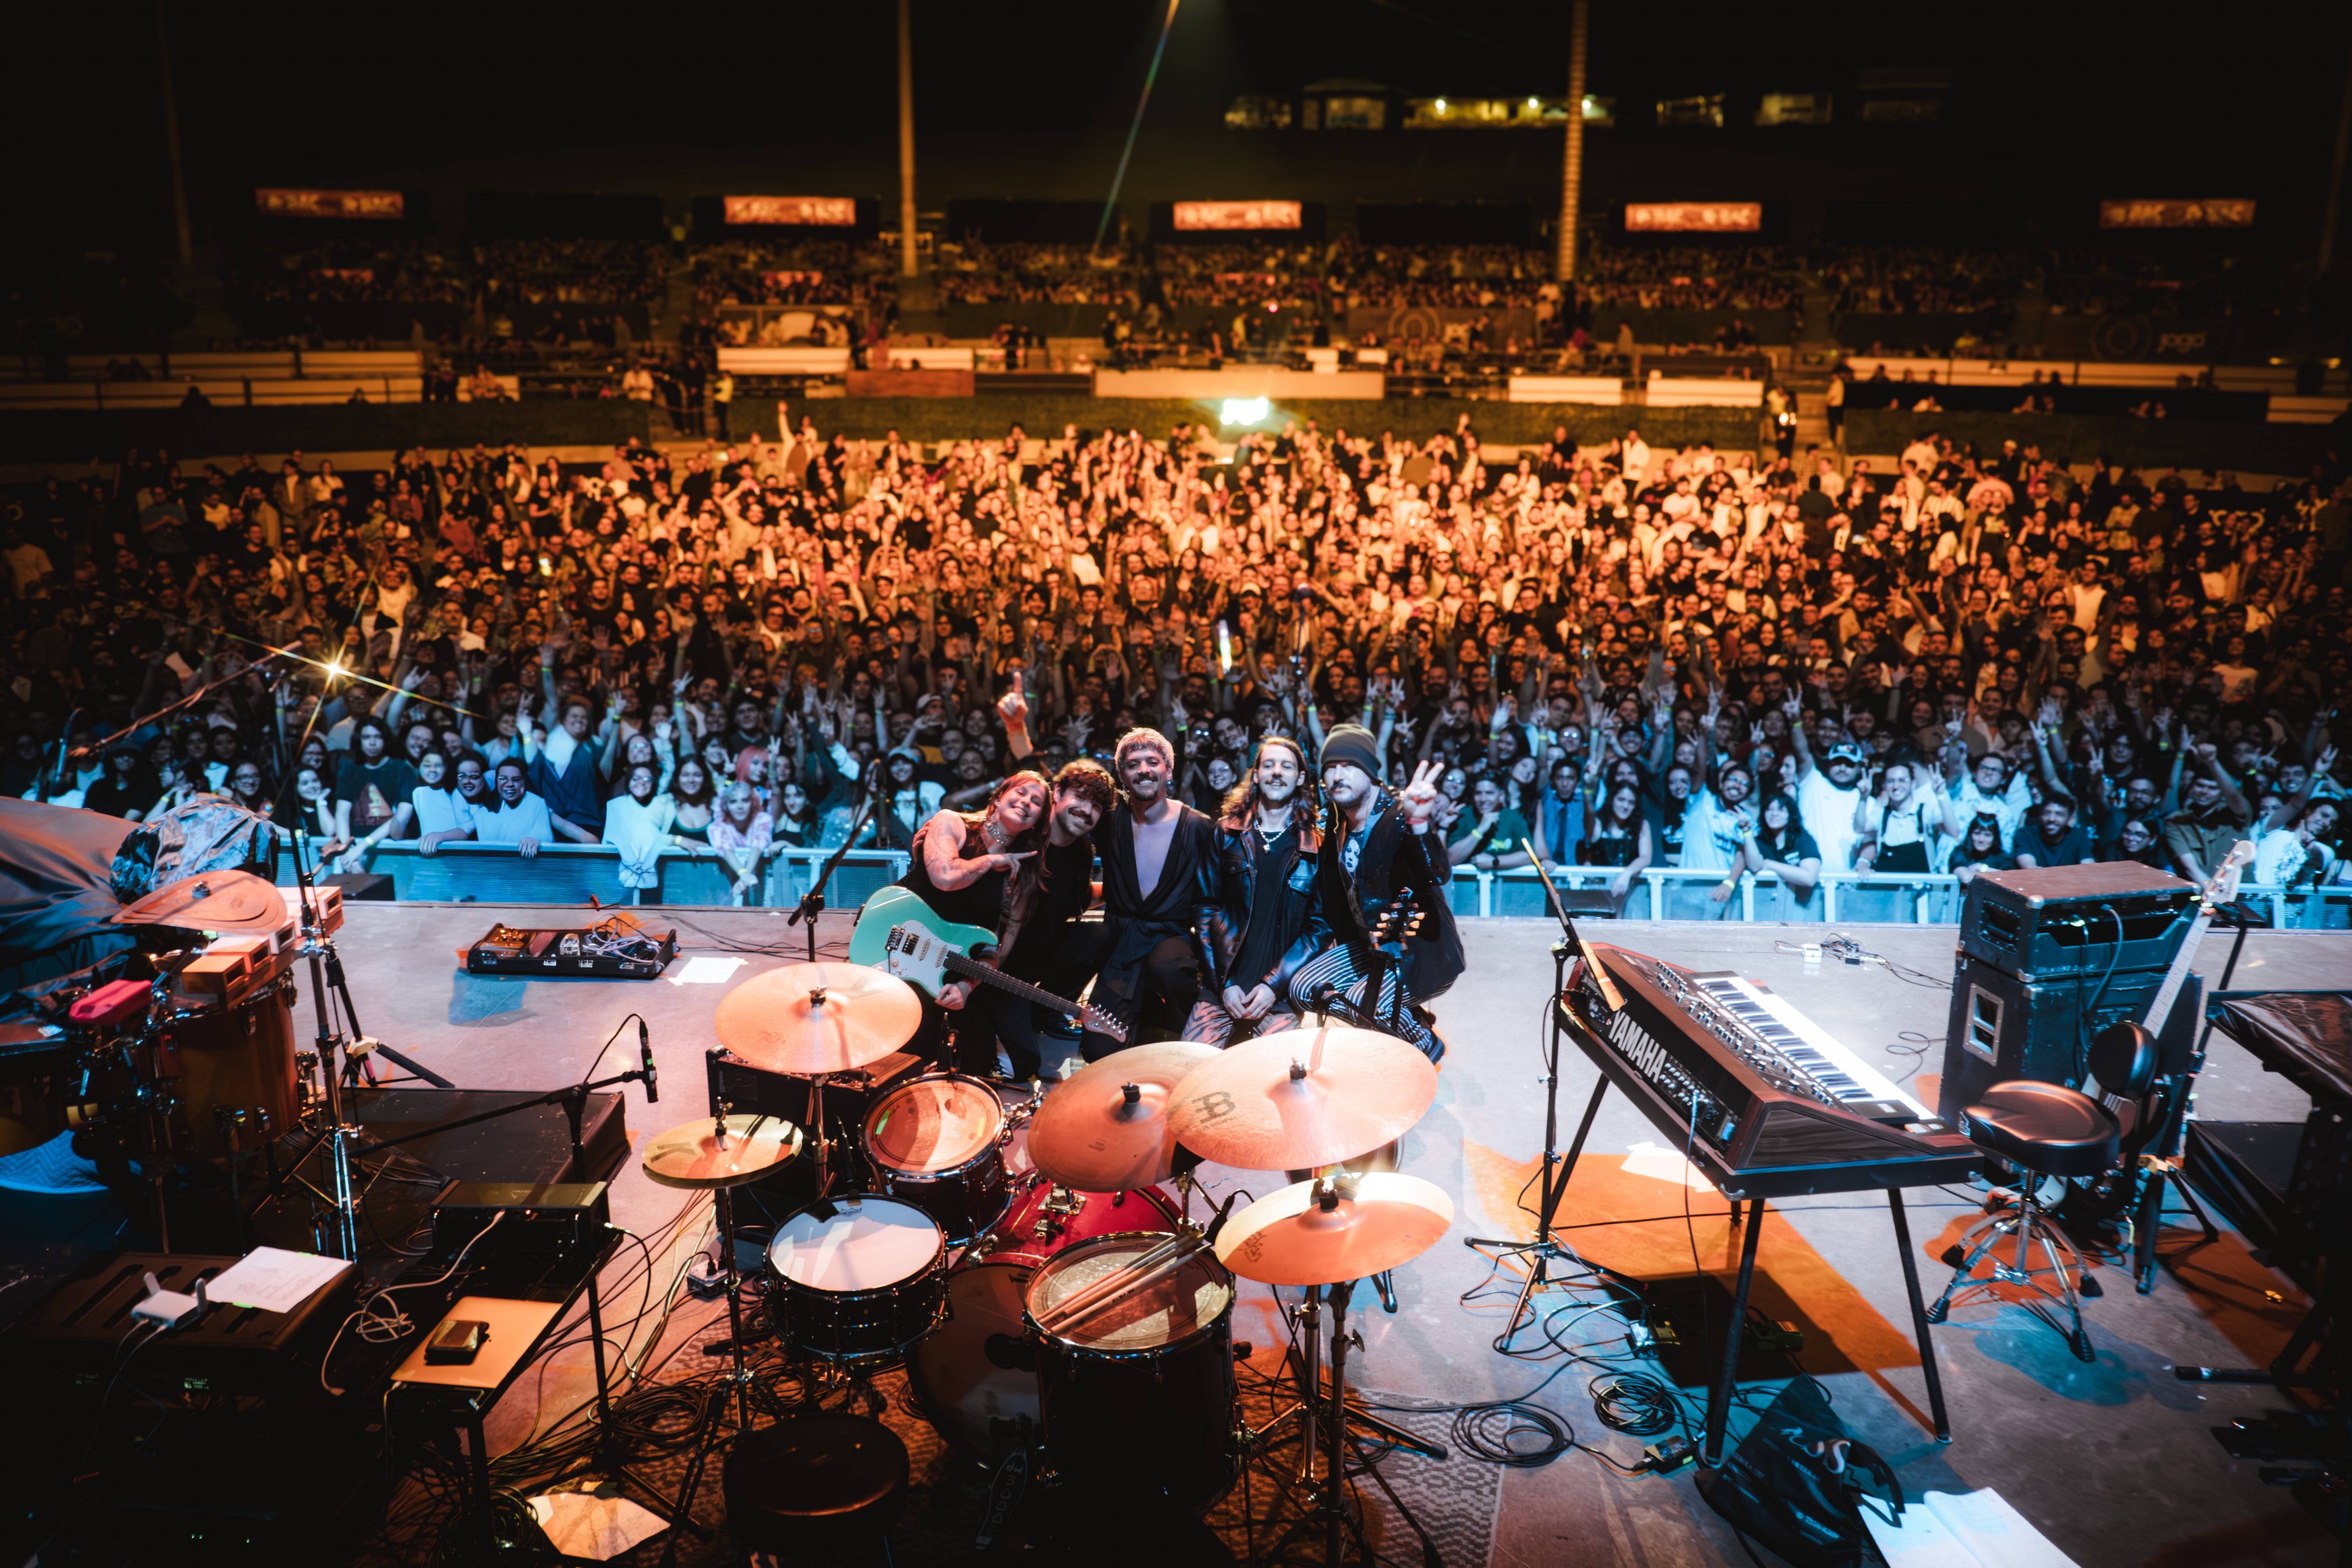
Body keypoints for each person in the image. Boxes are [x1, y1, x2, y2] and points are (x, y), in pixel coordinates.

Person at [1284, 725, 1461, 1062]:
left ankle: (1423, 1041)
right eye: (1330, 767)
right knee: (1303, 988)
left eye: (1348, 765)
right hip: (1370, 947)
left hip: (1417, 953)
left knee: (1369, 1002)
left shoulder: (1399, 815)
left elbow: (1437, 873)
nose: (1337, 775)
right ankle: (1403, 1021)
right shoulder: (1337, 815)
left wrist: (1419, 823)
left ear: (1371, 771)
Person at [1189, 736, 1322, 1046]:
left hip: (1279, 995)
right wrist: (1224, 983)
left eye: (1287, 766)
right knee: (1190, 1073)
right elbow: (1204, 908)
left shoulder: (1316, 846)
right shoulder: (1225, 832)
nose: (1277, 772)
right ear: (1257, 774)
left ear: (1300, 777)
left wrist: (1274, 985)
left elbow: (1318, 928)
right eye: (1269, 764)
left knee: (1272, 1083)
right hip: (1224, 985)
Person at [1741, 792, 1823, 920]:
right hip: (1768, 911)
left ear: (1791, 814)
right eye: (1769, 809)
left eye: (1781, 809)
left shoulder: (1802, 838)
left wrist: (1769, 864)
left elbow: (1809, 878)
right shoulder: (1760, 842)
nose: (1774, 814)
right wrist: (1747, 832)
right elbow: (1755, 866)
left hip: (1803, 910)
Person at [475, 756, 555, 858]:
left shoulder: (537, 803)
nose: (510, 784)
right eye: (503, 779)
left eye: (516, 780)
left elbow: (545, 834)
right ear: (497, 781)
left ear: (524, 782)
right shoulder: (485, 808)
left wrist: (534, 839)